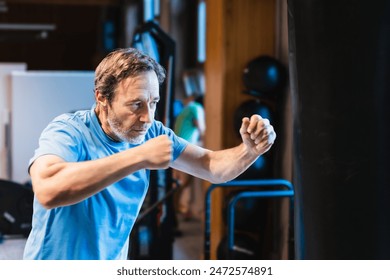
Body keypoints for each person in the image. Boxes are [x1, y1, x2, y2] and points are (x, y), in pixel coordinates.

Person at [23, 48, 276, 260]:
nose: (147, 117)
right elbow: (48, 189)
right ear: (102, 97)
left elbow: (212, 167)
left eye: (153, 102)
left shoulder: (152, 132)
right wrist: (139, 156)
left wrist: (249, 150)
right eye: (136, 104)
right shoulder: (69, 130)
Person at [173, 92, 205, 220]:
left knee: (180, 184)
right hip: (185, 150)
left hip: (177, 149)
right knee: (184, 184)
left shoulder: (186, 110)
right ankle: (183, 210)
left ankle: (179, 211)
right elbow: (202, 129)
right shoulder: (196, 108)